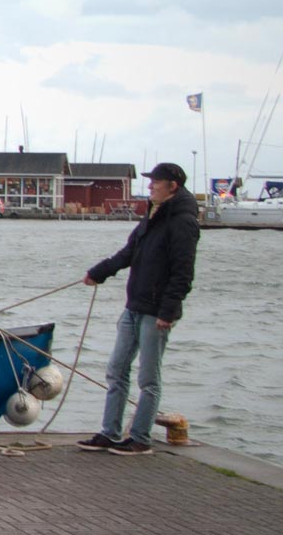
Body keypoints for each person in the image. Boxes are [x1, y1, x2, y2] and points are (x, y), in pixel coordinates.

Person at [79, 161, 202, 456]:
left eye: (155, 182)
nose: (149, 186)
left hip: (157, 311)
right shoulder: (152, 216)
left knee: (148, 378)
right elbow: (129, 253)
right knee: (116, 369)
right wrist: (99, 272)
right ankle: (109, 433)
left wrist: (168, 312)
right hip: (133, 306)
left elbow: (183, 274)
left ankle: (140, 438)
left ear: (172, 186)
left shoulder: (183, 221)